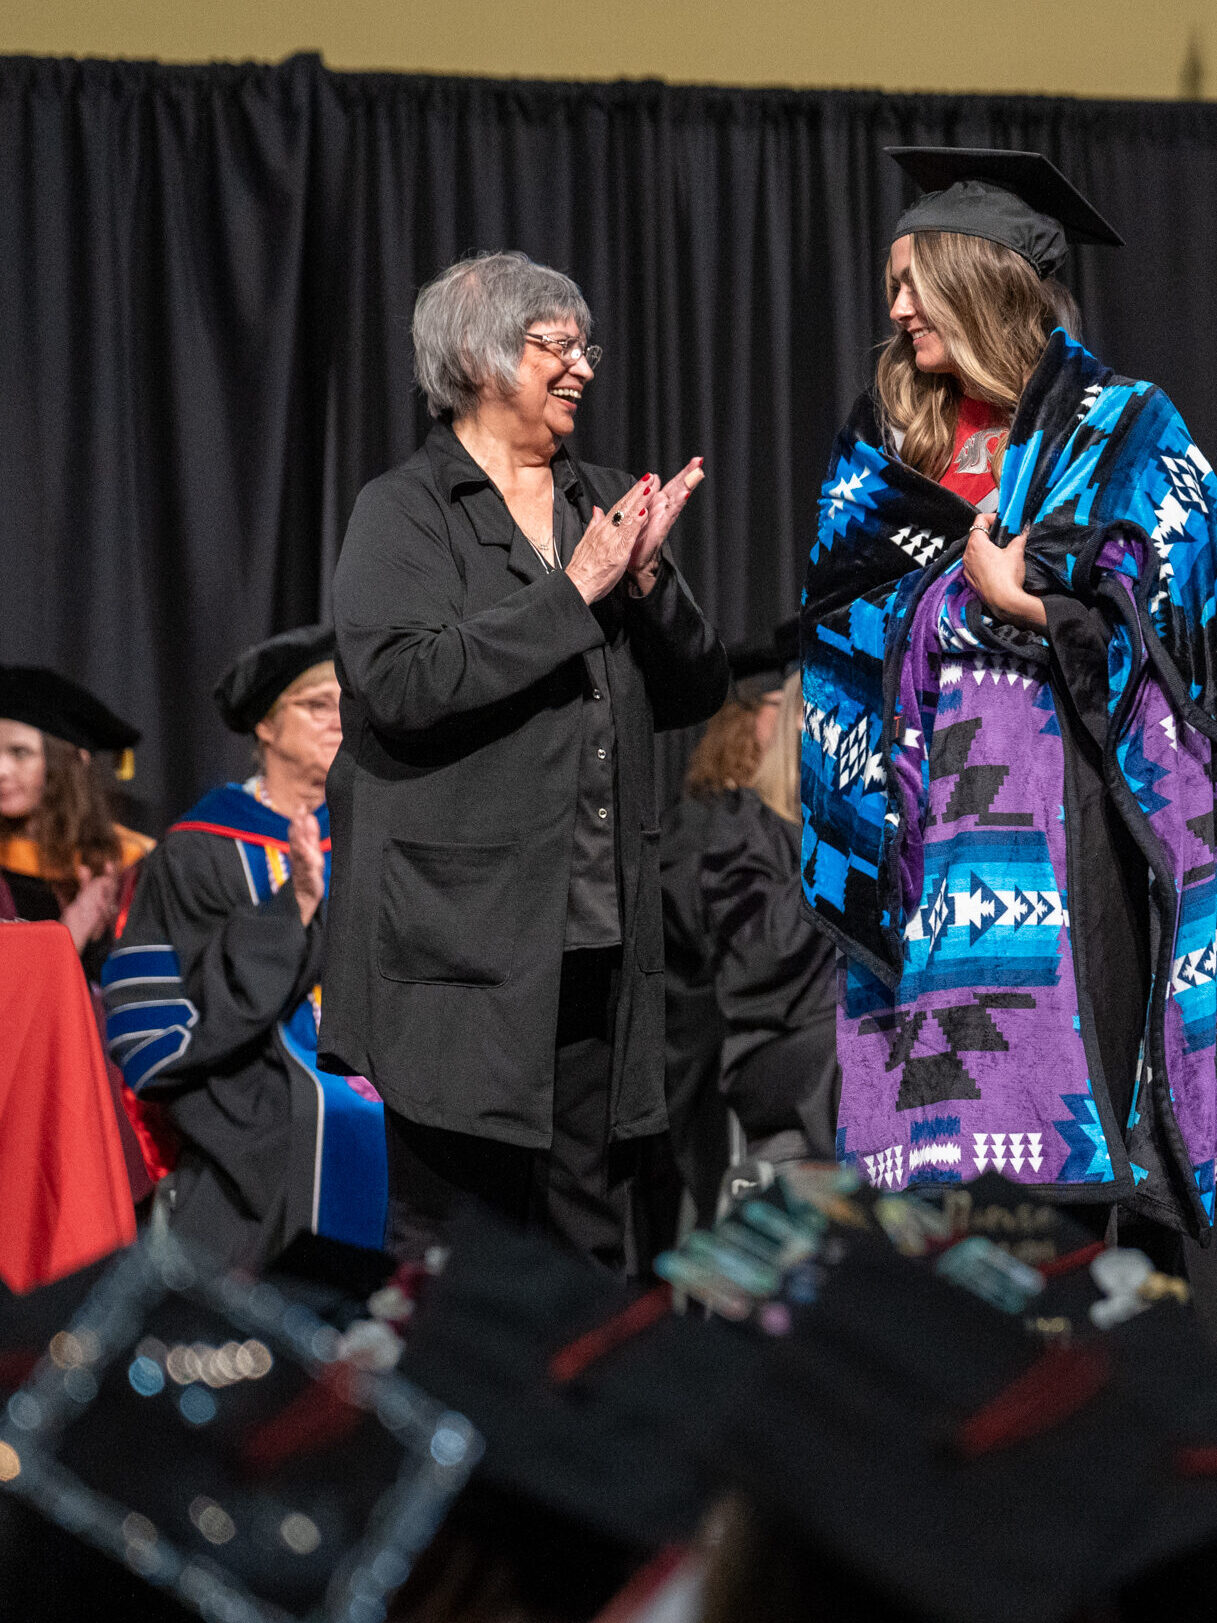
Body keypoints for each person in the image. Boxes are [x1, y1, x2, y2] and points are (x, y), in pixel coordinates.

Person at [800, 146, 1217, 1257]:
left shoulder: (1126, 429)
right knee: (931, 1216)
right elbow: (839, 621)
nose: (893, 310)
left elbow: (1176, 611)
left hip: (1072, 846)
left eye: (911, 281)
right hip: (918, 850)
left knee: (1062, 1230)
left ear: (977, 279)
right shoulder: (885, 447)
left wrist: (1029, 605)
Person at [322, 250, 729, 1274]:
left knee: (590, 1244)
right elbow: (402, 686)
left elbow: (693, 695)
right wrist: (571, 592)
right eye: (555, 344)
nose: (582, 366)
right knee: (455, 1246)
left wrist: (641, 586)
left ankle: (577, 1434)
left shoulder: (598, 500)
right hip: (455, 955)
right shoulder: (406, 510)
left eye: (584, 345)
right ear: (477, 354)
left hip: (595, 939)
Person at [103, 625, 387, 1267]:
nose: (338, 720)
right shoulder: (198, 850)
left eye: (349, 704)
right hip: (247, 1110)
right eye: (317, 704)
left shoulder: (379, 837)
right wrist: (297, 908)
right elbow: (189, 1016)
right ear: (265, 726)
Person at [0, 667, 152, 971]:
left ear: (75, 760)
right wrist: (71, 932)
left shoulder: (127, 864)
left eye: (20, 752)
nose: (1, 770)